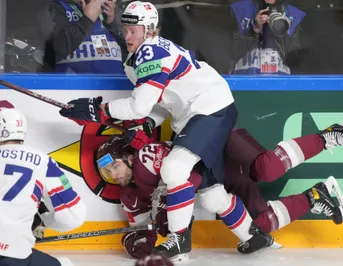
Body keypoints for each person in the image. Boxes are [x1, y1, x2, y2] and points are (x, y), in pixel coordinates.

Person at [58, 0, 256, 260]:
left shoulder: (150, 51)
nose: (127, 35)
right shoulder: (136, 58)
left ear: (149, 30)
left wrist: (98, 110)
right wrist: (148, 122)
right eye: (125, 28)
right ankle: (254, 236)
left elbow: (137, 106)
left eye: (134, 30)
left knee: (174, 169)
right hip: (199, 113)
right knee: (210, 195)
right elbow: (158, 102)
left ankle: (179, 240)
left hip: (209, 110)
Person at [96, 135, 275, 262]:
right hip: (190, 184)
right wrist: (137, 242)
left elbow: (189, 175)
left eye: (115, 166)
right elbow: (141, 228)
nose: (114, 175)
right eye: (107, 172)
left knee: (211, 197)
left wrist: (168, 208)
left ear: (129, 158)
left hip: (205, 164)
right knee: (211, 200)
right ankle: (255, 238)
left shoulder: (146, 157)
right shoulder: (129, 195)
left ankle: (251, 235)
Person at [0, 102, 87, 266]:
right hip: (15, 256)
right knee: (65, 263)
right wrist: (44, 218)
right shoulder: (43, 161)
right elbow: (73, 217)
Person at [37, 0, 126, 73]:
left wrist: (112, 23)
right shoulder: (54, 8)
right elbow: (57, 50)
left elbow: (129, 51)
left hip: (116, 87)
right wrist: (87, 19)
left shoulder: (106, 10)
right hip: (74, 88)